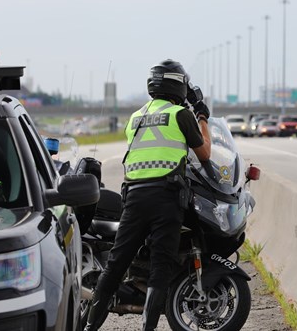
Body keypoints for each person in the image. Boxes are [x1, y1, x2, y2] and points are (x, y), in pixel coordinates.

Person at [85, 59, 212, 331]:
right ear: (178, 85)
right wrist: (201, 115)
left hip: (133, 197)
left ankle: (89, 327)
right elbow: (204, 154)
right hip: (166, 197)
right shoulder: (181, 115)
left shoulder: (135, 117)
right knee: (161, 264)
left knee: (118, 262)